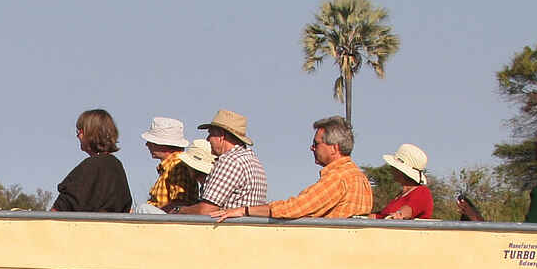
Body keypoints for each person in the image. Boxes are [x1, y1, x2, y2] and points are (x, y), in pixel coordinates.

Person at [217, 116, 371, 222]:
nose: (312, 148)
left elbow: (296, 208)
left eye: (316, 144)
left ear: (334, 148)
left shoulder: (338, 177)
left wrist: (245, 211)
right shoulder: (359, 177)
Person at [174, 109, 266, 214]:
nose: (208, 139)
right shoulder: (253, 160)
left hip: (226, 229)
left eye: (210, 134)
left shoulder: (229, 161)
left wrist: (179, 210)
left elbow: (206, 210)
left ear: (221, 136)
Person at [53, 108, 133, 212]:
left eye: (80, 131)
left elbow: (63, 206)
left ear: (91, 133)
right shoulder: (117, 166)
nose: (78, 136)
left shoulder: (91, 166)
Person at [140, 116, 204, 211]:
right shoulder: (171, 166)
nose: (147, 145)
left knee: (142, 209)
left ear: (164, 144)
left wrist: (153, 213)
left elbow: (181, 202)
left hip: (167, 222)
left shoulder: (178, 166)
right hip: (164, 220)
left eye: (152, 142)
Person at [375, 143, 433, 220]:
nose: (391, 168)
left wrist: (399, 215)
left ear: (400, 171)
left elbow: (408, 210)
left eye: (393, 166)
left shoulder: (422, 192)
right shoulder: (401, 195)